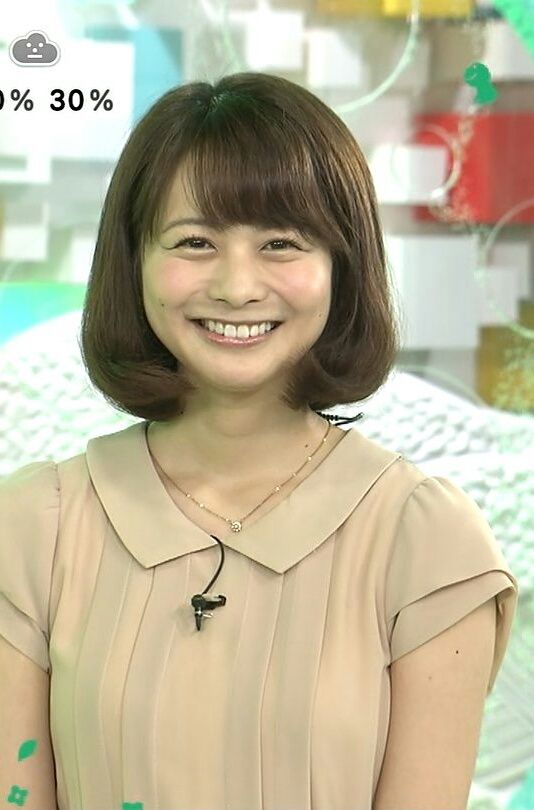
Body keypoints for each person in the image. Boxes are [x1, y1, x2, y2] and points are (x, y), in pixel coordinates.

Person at [0, 72, 519, 810]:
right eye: (195, 242)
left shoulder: (426, 542)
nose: (237, 286)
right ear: (133, 261)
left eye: (281, 243)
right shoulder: (31, 529)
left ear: (342, 265)